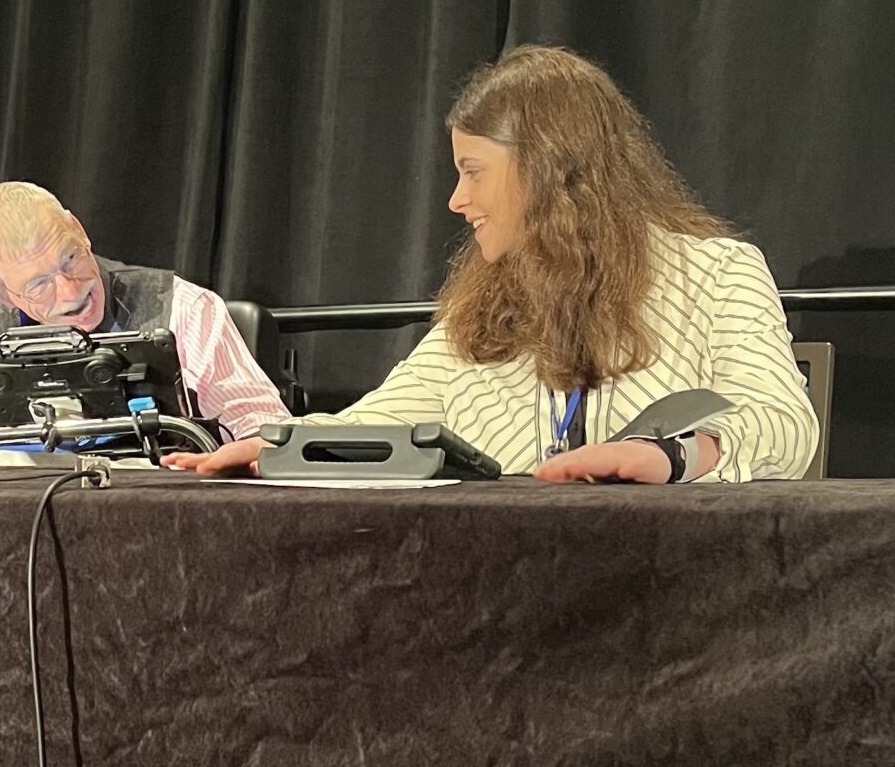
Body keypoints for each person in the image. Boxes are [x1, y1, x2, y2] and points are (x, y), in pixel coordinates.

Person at [164, 45, 818, 482]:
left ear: (545, 169)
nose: (456, 200)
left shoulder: (717, 275)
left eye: (473, 172)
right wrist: (276, 449)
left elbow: (784, 426)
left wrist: (673, 457)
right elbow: (380, 423)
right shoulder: (480, 307)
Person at [0, 182, 289, 440]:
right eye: (38, 285)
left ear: (79, 229)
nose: (70, 292)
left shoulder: (181, 308)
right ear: (0, 290)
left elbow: (267, 429)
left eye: (69, 259)